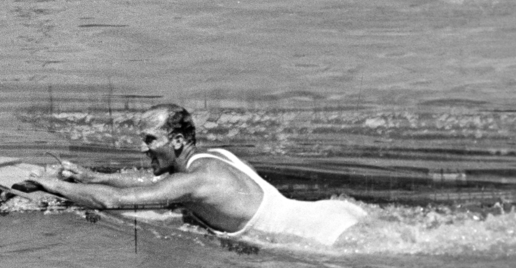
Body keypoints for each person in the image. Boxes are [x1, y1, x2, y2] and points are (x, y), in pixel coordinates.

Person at [24, 103, 365, 246]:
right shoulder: (212, 158)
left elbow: (115, 202)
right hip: (331, 214)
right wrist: (89, 177)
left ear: (175, 140)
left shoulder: (197, 179)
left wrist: (48, 184)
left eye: (150, 140)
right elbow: (155, 185)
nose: (143, 148)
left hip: (326, 237)